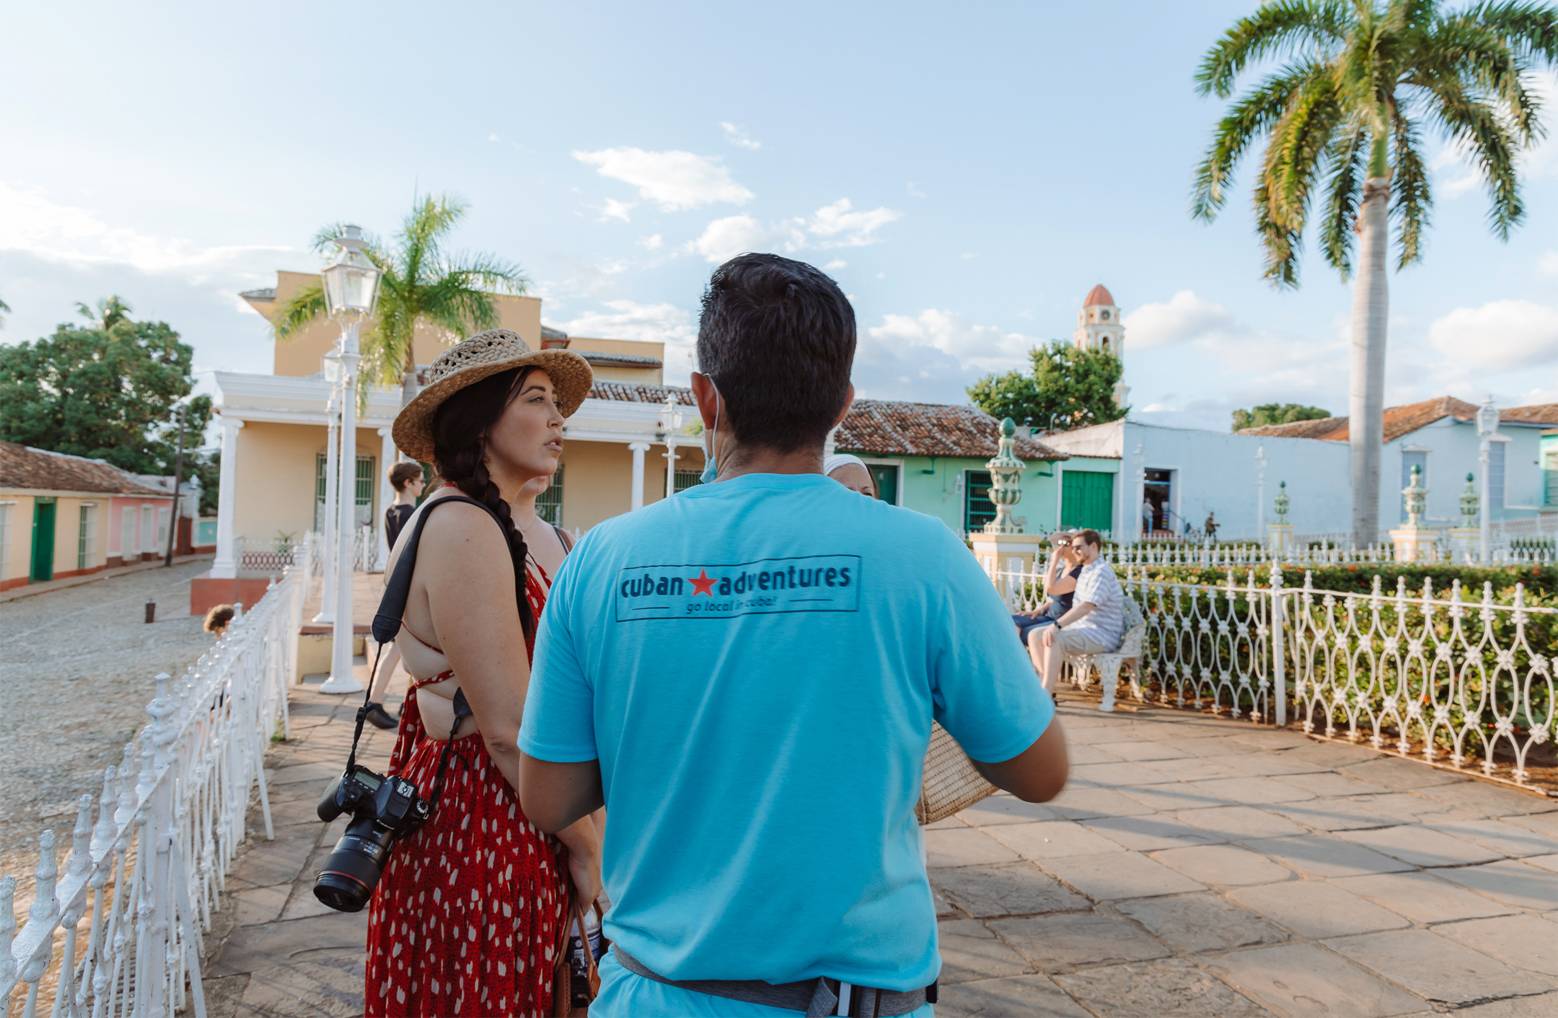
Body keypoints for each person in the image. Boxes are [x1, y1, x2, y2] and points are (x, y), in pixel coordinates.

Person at [518, 254, 1068, 1018]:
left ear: (705, 398)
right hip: (859, 1000)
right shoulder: (921, 555)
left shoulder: (601, 561)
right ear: (841, 404)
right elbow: (1039, 771)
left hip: (654, 992)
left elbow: (549, 796)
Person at [363, 328, 603, 1018]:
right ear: (480, 417)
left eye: (559, 404)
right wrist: (585, 847)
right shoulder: (463, 524)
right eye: (537, 400)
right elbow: (505, 728)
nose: (559, 420)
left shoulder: (494, 524)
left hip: (513, 804)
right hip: (489, 814)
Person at [360, 462, 430, 730]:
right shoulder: (411, 513)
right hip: (408, 587)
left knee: (399, 648)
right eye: (420, 481)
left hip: (397, 585)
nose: (423, 485)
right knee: (400, 648)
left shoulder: (391, 510)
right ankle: (376, 702)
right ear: (409, 483)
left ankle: (391, 701)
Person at [1034, 529, 1125, 691]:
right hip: (1083, 630)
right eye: (1073, 547)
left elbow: (1086, 606)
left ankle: (1045, 694)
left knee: (1054, 637)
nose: (1074, 550)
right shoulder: (1086, 571)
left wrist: (1056, 625)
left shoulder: (1101, 572)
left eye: (1079, 547)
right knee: (1035, 635)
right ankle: (1043, 686)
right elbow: (1055, 592)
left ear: (1094, 547)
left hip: (1101, 634)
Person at [1012, 532, 1082, 649]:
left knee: (1027, 632)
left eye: (1066, 543)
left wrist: (1053, 561)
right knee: (1011, 621)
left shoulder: (1078, 572)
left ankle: (1020, 661)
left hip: (1061, 621)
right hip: (1048, 616)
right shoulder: (1062, 570)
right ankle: (1016, 659)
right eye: (1059, 543)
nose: (1061, 547)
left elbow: (1050, 589)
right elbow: (1052, 598)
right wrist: (1038, 610)